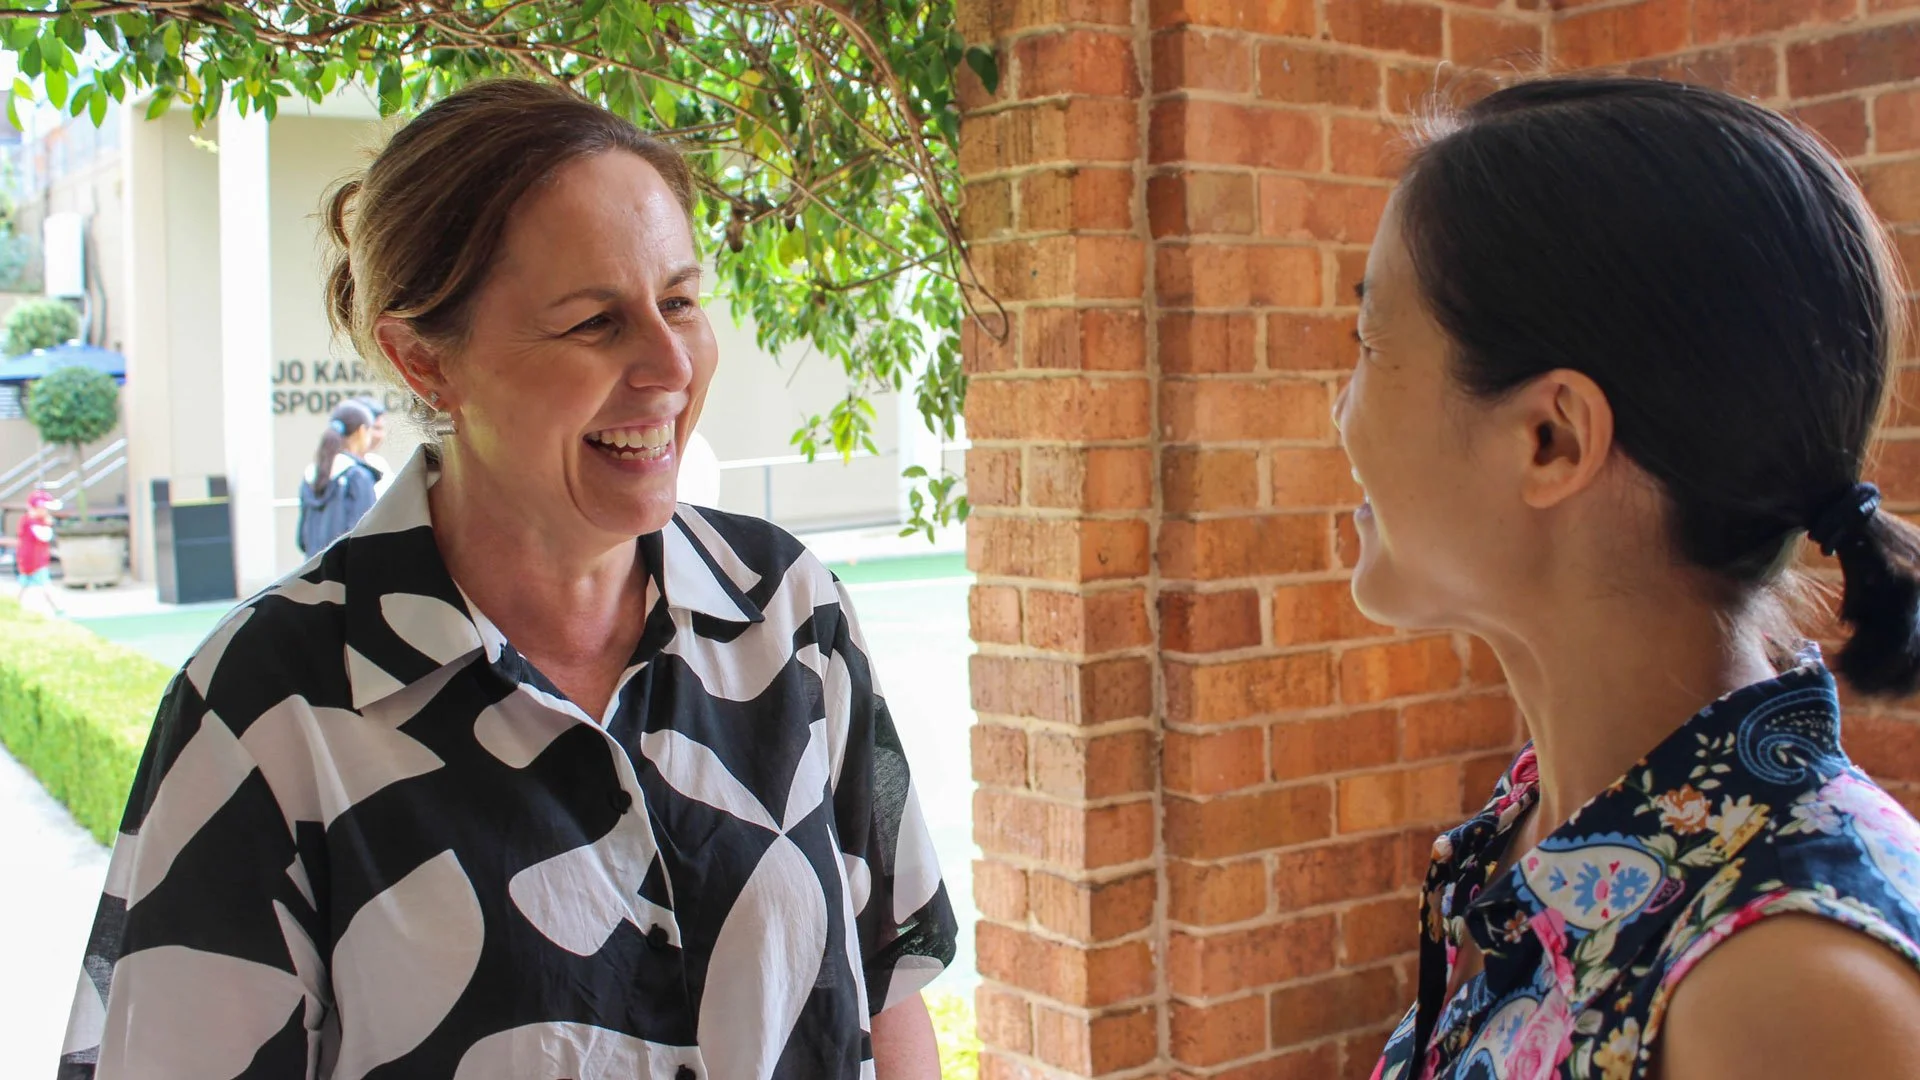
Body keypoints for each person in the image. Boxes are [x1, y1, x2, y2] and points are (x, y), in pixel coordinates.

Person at [60, 78, 954, 1080]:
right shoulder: (272, 706)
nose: (671, 366)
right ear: (421, 362)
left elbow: (891, 986)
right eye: (594, 323)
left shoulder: (792, 611)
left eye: (681, 303)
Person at [1348, 79, 1920, 1080]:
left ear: (1551, 436)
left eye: (1369, 348)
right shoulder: (1549, 838)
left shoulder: (1791, 1000)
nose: (1341, 416)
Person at [295, 399, 381, 556]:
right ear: (362, 432)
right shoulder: (358, 476)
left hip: (313, 574)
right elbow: (365, 538)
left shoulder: (312, 475)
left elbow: (302, 540)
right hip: (347, 577)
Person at [17, 486, 62, 616]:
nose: (45, 511)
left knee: (26, 586)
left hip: (35, 560)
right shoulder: (31, 522)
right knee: (45, 586)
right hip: (33, 561)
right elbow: (45, 536)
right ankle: (58, 610)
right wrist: (47, 524)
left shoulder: (35, 520)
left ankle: (57, 609)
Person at [353, 394, 395, 499]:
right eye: (376, 428)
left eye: (382, 429)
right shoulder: (337, 466)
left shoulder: (378, 464)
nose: (381, 436)